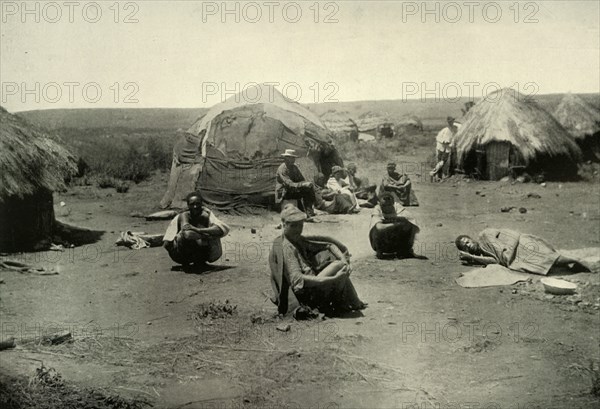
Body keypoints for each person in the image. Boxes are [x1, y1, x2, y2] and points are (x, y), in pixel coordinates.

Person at [269, 204, 367, 316]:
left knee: (341, 264)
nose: (298, 230)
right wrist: (333, 279)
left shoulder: (298, 241)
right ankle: (351, 302)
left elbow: (328, 245)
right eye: (293, 226)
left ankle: (352, 302)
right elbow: (297, 280)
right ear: (284, 225)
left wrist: (344, 260)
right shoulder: (287, 248)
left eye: (300, 226)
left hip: (313, 285)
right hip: (306, 294)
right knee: (338, 266)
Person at [455, 229, 592, 275]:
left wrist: (508, 246)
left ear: (471, 238)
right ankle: (572, 265)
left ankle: (577, 261)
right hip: (515, 258)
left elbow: (507, 233)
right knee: (542, 265)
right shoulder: (482, 254)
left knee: (548, 256)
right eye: (465, 246)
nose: (468, 245)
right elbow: (496, 261)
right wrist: (472, 257)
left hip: (521, 244)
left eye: (467, 241)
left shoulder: (484, 235)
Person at [163, 192, 230, 268]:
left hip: (201, 250)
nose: (195, 206)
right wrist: (209, 233)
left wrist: (198, 230)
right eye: (192, 204)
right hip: (179, 253)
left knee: (206, 236)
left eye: (198, 203)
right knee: (182, 237)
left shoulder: (206, 214)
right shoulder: (184, 215)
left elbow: (221, 229)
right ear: (188, 205)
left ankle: (200, 261)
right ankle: (186, 262)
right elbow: (187, 234)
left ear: (201, 204)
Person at [369, 192, 420, 259]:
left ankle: (405, 250)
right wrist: (395, 225)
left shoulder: (398, 207)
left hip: (396, 241)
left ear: (393, 203)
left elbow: (413, 224)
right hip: (382, 243)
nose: (387, 207)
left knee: (409, 225)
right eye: (384, 205)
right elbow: (379, 227)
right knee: (376, 229)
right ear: (380, 204)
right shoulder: (377, 209)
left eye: (389, 205)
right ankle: (380, 252)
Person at [275, 149, 317, 218]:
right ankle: (307, 212)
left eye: (293, 158)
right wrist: (302, 184)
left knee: (309, 188)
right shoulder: (282, 169)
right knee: (305, 187)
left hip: (292, 190)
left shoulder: (294, 167)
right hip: (283, 192)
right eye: (291, 158)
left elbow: (301, 179)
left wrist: (306, 183)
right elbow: (289, 184)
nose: (293, 160)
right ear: (286, 158)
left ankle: (309, 212)